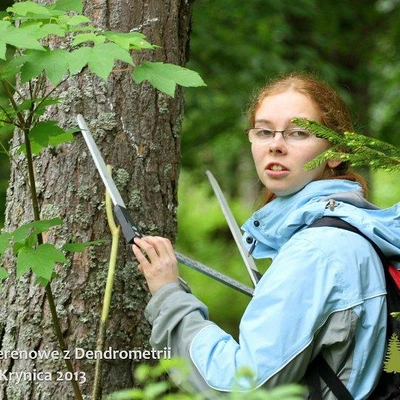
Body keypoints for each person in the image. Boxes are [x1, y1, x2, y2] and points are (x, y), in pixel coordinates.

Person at [132, 73, 400, 399]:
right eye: (263, 131)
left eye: (298, 132)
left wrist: (170, 300)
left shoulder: (316, 251)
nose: (275, 144)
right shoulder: (355, 230)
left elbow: (240, 386)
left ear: (336, 151)